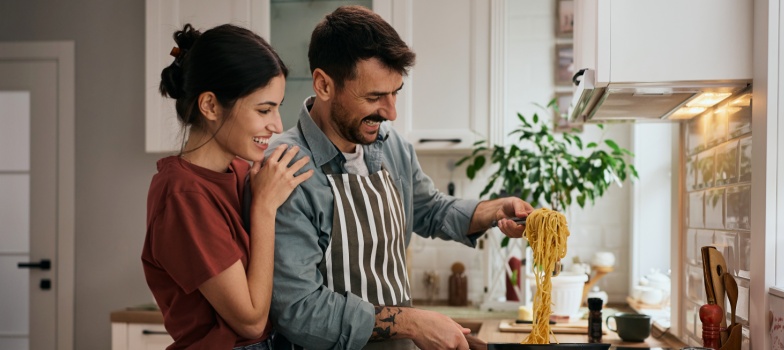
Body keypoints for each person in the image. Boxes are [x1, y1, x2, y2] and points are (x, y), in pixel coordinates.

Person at [250, 6, 533, 350]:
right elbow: (300, 310)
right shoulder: (284, 167)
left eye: (395, 92)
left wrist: (494, 211)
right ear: (324, 84)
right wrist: (411, 322)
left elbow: (428, 209)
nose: (391, 112)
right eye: (373, 97)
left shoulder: (389, 144)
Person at [141, 23, 313, 349]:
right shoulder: (183, 194)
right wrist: (264, 208)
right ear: (210, 106)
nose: (277, 125)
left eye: (277, 108)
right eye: (264, 109)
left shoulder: (238, 170)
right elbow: (250, 321)